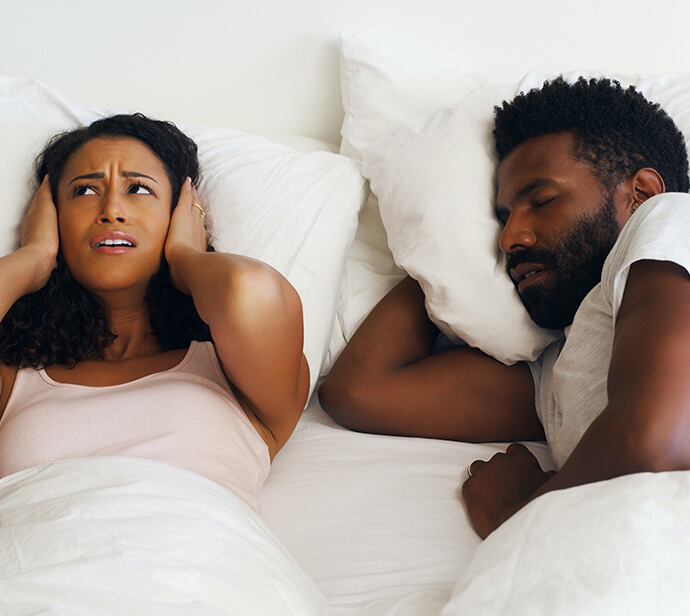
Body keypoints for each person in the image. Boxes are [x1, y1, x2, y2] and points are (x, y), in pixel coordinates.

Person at [319, 77, 690, 538]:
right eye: (503, 216)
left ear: (641, 195)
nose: (510, 238)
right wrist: (442, 249)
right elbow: (358, 390)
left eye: (543, 200)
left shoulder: (672, 219)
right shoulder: (559, 368)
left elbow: (660, 441)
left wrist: (513, 514)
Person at [0, 113, 309, 513]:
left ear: (179, 212)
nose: (112, 209)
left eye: (138, 189)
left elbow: (250, 289)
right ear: (52, 216)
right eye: (85, 191)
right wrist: (33, 257)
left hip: (195, 567)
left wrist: (185, 256)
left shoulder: (236, 368)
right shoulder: (14, 376)